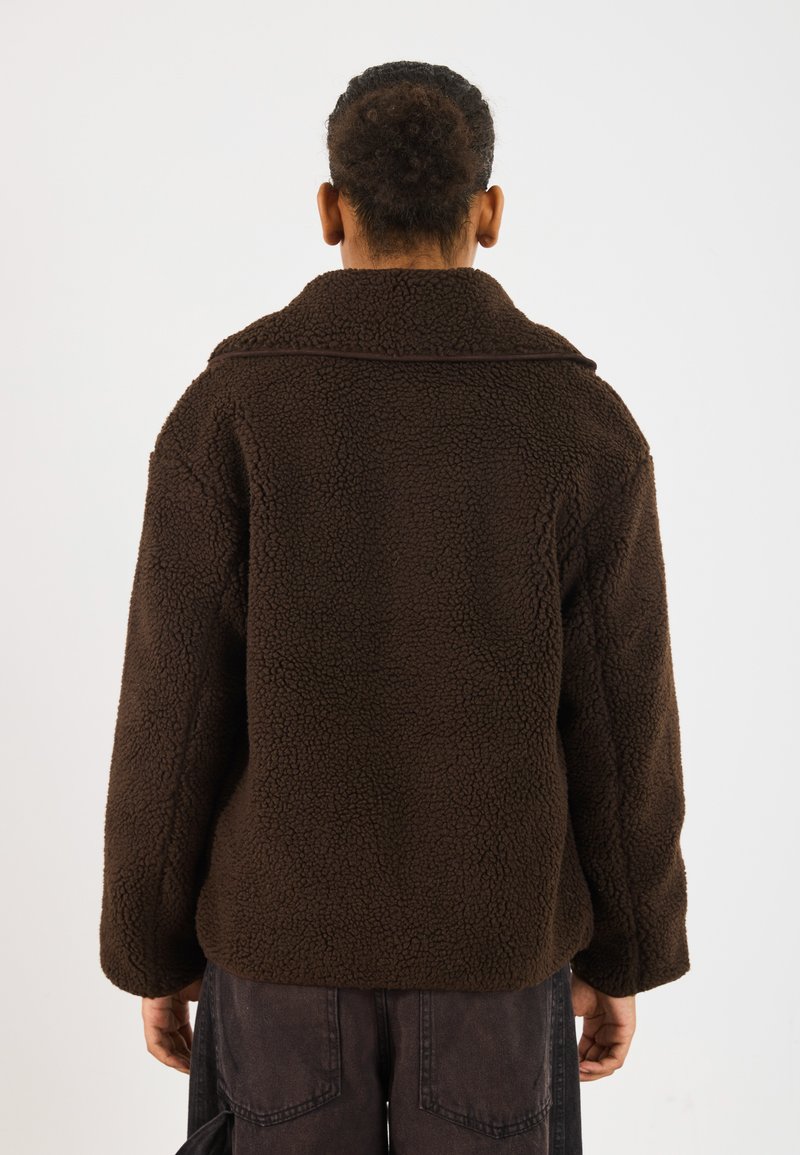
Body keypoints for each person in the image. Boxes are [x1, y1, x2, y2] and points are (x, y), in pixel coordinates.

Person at [99, 60, 690, 1155]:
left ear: (330, 208)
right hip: (496, 957)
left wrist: (150, 946)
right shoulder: (582, 423)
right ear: (489, 211)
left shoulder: (229, 409)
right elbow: (624, 725)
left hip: (276, 951)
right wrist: (627, 950)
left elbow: (169, 715)